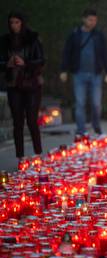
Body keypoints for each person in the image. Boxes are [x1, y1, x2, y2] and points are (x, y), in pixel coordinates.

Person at [60, 9, 107, 136]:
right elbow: (67, 52)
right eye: (90, 19)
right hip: (79, 74)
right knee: (80, 103)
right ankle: (81, 129)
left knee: (96, 104)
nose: (93, 22)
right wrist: (63, 70)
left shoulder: (99, 35)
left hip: (96, 74)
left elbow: (105, 54)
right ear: (84, 19)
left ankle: (96, 124)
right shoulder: (75, 34)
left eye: (95, 20)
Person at [0, 11, 44, 159]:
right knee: (17, 122)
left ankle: (38, 154)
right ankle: (20, 157)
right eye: (11, 23)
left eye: (17, 22)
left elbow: (41, 60)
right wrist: (8, 63)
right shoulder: (5, 41)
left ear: (22, 23)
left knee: (32, 120)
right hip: (13, 84)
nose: (14, 26)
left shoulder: (33, 39)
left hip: (31, 84)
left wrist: (26, 63)